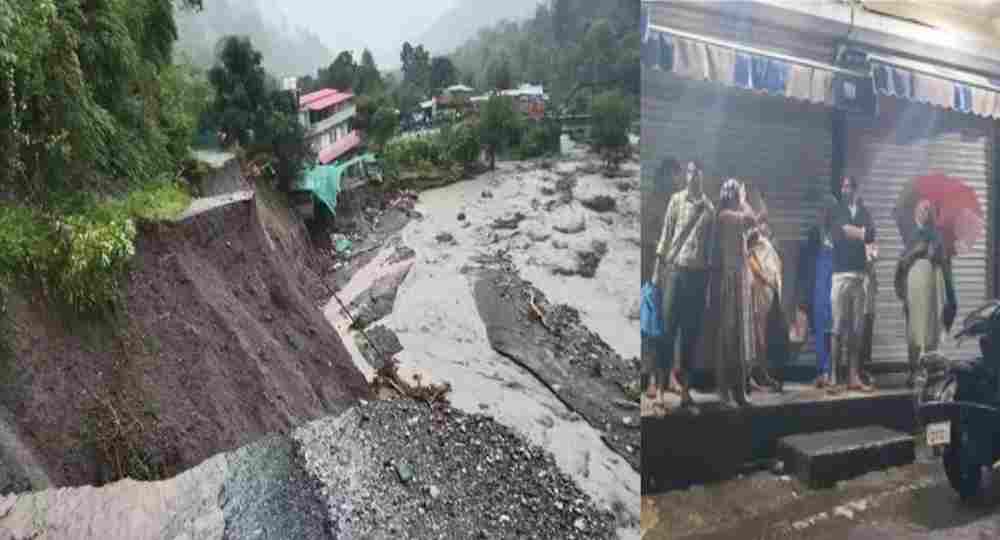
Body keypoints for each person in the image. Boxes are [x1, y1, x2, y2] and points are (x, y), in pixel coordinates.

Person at [651, 159, 715, 412]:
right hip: (675, 272)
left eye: (697, 172)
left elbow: (709, 253)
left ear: (702, 176)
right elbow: (666, 235)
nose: (692, 176)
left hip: (697, 277)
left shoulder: (709, 209)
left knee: (690, 335)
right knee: (666, 332)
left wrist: (708, 286)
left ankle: (686, 393)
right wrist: (657, 272)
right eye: (689, 172)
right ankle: (660, 392)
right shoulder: (676, 201)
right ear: (686, 175)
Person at [710, 179, 764, 409]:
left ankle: (739, 390)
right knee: (727, 337)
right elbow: (754, 218)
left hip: (741, 279)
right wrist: (745, 201)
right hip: (728, 280)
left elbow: (756, 232)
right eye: (738, 194)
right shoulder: (725, 216)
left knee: (742, 338)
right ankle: (724, 392)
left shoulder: (732, 216)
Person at [894, 199, 957, 388]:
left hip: (931, 290)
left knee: (930, 331)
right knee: (913, 331)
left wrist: (951, 296)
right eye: (922, 209)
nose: (926, 213)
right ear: (915, 213)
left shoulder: (937, 236)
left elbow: (943, 262)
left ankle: (929, 372)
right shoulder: (910, 235)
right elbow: (902, 264)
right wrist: (915, 252)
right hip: (913, 289)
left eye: (929, 210)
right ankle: (913, 371)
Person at [830, 176, 875, 392]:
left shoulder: (865, 212)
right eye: (843, 186)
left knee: (857, 329)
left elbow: (872, 235)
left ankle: (853, 376)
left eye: (848, 186)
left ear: (855, 189)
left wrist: (856, 232)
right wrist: (862, 233)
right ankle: (833, 376)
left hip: (860, 275)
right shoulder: (837, 210)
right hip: (840, 274)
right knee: (838, 327)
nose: (844, 189)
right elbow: (839, 233)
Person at [797, 194, 839, 388]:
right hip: (819, 284)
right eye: (825, 211)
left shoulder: (839, 233)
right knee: (820, 329)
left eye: (830, 211)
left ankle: (834, 371)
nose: (827, 215)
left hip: (836, 282)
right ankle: (822, 371)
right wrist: (803, 295)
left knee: (835, 328)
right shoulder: (814, 234)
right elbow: (805, 266)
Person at [746, 202, 783, 392]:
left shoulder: (765, 240)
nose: (765, 224)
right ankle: (755, 374)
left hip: (769, 294)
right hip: (759, 290)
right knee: (756, 335)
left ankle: (761, 372)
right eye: (762, 219)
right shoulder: (751, 238)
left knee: (762, 334)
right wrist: (766, 279)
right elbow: (750, 260)